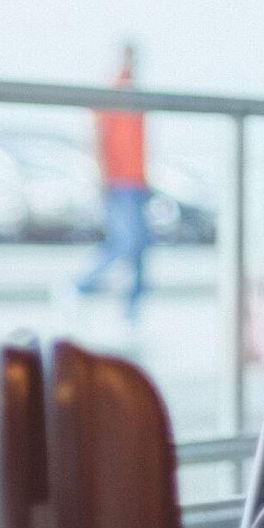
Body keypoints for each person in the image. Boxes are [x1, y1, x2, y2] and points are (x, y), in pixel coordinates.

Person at [70, 41, 151, 322]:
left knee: (140, 248)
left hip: (138, 181)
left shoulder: (137, 95)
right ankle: (79, 283)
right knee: (125, 243)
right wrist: (101, 174)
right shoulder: (111, 92)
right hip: (118, 182)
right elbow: (95, 135)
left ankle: (132, 311)